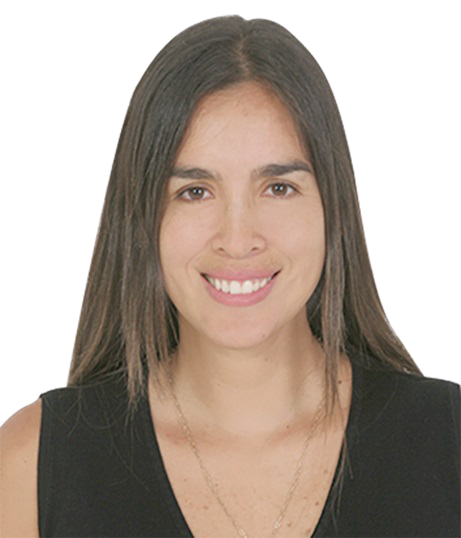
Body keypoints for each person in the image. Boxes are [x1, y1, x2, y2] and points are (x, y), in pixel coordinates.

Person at [1, 15, 459, 538]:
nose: (238, 239)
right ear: (143, 218)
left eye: (278, 187)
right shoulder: (30, 464)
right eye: (195, 192)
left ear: (333, 208)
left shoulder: (451, 442)